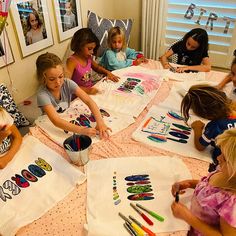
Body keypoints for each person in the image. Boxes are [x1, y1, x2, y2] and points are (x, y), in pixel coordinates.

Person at [171, 128, 236, 235]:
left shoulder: (232, 203)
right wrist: (190, 183)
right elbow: (210, 190)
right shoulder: (223, 171)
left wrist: (188, 217)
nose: (218, 158)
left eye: (224, 158)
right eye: (221, 153)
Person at [36, 52, 111, 140]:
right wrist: (82, 130)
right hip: (51, 122)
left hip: (66, 117)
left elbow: (88, 101)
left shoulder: (67, 83)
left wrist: (100, 122)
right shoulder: (42, 95)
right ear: (42, 78)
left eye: (61, 76)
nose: (58, 82)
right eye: (52, 79)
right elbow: (56, 121)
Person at [181, 84, 236, 171]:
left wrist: (197, 129)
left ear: (206, 115)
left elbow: (200, 147)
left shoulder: (214, 126)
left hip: (226, 166)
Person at [66, 28, 119, 95]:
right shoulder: (71, 61)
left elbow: (97, 68)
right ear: (79, 46)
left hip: (90, 91)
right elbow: (67, 84)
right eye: (89, 49)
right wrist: (87, 90)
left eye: (93, 49)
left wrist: (108, 73)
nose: (92, 52)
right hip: (78, 96)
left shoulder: (88, 57)